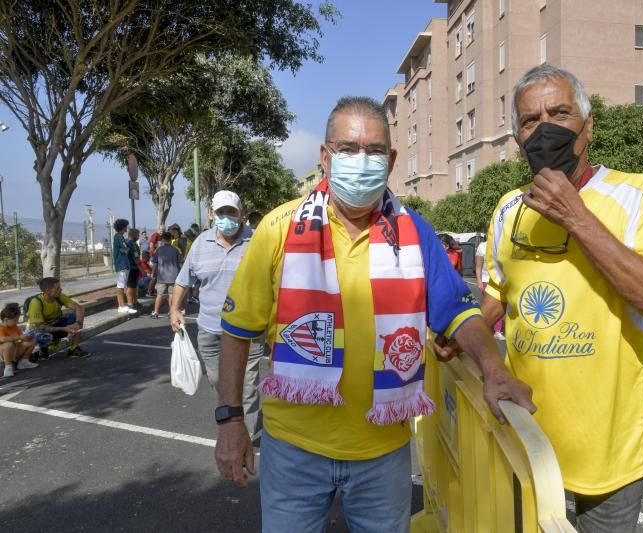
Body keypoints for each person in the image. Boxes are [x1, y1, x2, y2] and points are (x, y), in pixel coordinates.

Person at [215, 96, 534, 533]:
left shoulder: (415, 231)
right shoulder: (280, 228)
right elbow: (237, 331)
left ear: (392, 159)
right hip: (293, 450)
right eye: (348, 149)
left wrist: (493, 368)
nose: (360, 161)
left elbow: (459, 312)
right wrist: (231, 421)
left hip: (383, 454)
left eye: (374, 150)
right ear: (325, 157)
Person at [481, 64, 643, 532]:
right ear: (517, 138)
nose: (544, 128)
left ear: (588, 125)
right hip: (524, 437)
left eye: (560, 113)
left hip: (608, 449)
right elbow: (497, 294)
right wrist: (457, 333)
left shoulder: (641, 196)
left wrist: (577, 217)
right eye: (530, 121)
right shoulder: (509, 209)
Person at [170, 190, 265, 437]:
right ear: (212, 215)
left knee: (246, 388)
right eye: (221, 212)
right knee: (219, 383)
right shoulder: (201, 243)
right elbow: (183, 281)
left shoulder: (258, 241)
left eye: (231, 211)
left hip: (247, 333)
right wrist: (174, 309)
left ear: (241, 213)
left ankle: (250, 438)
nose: (226, 217)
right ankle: (236, 426)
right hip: (210, 331)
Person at [25, 277, 91, 359]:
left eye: (60, 287)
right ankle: (43, 350)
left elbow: (79, 308)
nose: (61, 289)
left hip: (56, 324)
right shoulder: (36, 302)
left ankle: (74, 349)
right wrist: (64, 328)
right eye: (57, 288)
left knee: (76, 316)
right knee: (45, 336)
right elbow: (40, 327)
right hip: (38, 330)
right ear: (47, 290)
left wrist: (78, 323)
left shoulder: (59, 296)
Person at [474, 234, 505, 341]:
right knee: (489, 306)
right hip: (486, 280)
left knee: (500, 305)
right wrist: (479, 281)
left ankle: (496, 331)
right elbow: (478, 266)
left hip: (500, 280)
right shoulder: (482, 247)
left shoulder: (503, 245)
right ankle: (485, 329)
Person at [1, 303, 38, 378]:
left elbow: (21, 337)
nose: (17, 322)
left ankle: (23, 361)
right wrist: (20, 337)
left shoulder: (14, 326)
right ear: (6, 319)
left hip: (14, 352)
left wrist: (26, 337)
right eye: (15, 320)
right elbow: (2, 339)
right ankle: (8, 367)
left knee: (33, 340)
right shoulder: (1, 327)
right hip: (4, 355)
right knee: (8, 344)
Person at [150, 231, 182, 319]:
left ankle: (156, 312)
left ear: (163, 239)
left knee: (159, 294)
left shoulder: (158, 250)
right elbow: (180, 263)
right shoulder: (176, 249)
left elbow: (155, 263)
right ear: (171, 239)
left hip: (162, 276)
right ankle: (170, 312)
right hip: (174, 276)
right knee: (171, 294)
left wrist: (153, 273)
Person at [112, 219, 137, 314]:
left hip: (125, 264)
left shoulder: (121, 237)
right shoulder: (117, 236)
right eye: (126, 226)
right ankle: (121, 306)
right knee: (120, 286)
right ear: (122, 227)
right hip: (121, 264)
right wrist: (127, 248)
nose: (127, 228)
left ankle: (123, 305)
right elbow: (124, 250)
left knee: (123, 285)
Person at [126, 228, 142, 309]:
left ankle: (135, 301)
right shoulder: (132, 244)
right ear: (133, 234)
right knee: (131, 286)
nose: (139, 236)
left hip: (132, 268)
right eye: (138, 234)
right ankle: (130, 303)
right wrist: (141, 269)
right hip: (132, 268)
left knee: (134, 286)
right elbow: (136, 259)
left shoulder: (129, 243)